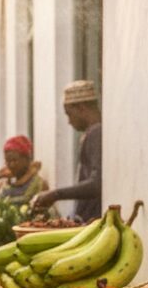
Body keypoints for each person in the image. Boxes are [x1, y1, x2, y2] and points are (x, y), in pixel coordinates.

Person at [32, 80, 102, 221]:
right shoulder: (92, 133)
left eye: (69, 114)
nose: (69, 121)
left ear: (81, 108)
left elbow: (96, 183)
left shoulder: (96, 133)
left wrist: (56, 194)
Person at [0, 136, 49, 208]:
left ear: (27, 159)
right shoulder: (5, 186)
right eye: (8, 161)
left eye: (15, 160)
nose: (11, 165)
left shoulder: (38, 184)